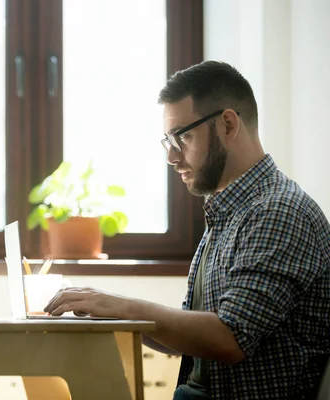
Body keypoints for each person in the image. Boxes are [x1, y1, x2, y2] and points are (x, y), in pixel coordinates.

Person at [44, 61, 330, 399]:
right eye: (168, 140)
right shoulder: (231, 212)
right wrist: (103, 309)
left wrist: (121, 307)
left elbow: (230, 338)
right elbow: (195, 332)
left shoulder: (278, 212)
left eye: (183, 136)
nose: (171, 156)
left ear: (227, 124)